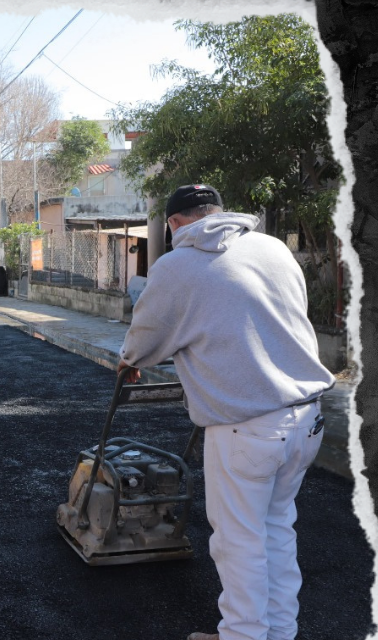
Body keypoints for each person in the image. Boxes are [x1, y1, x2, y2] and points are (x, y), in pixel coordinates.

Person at [117, 185, 335, 640]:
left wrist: (129, 361)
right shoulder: (273, 247)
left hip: (247, 427)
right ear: (218, 212)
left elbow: (146, 337)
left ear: (176, 224)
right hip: (306, 418)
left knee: (238, 541)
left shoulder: (178, 265)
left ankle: (242, 634)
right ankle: (278, 632)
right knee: (276, 528)